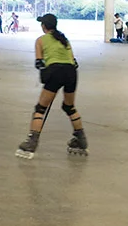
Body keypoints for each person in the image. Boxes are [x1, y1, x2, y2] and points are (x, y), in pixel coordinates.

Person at [16, 14, 88, 159]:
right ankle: (81, 139)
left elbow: (39, 64)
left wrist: (48, 79)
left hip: (56, 71)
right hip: (71, 73)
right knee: (69, 107)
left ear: (44, 26)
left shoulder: (40, 40)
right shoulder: (64, 40)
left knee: (40, 108)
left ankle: (32, 141)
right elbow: (74, 62)